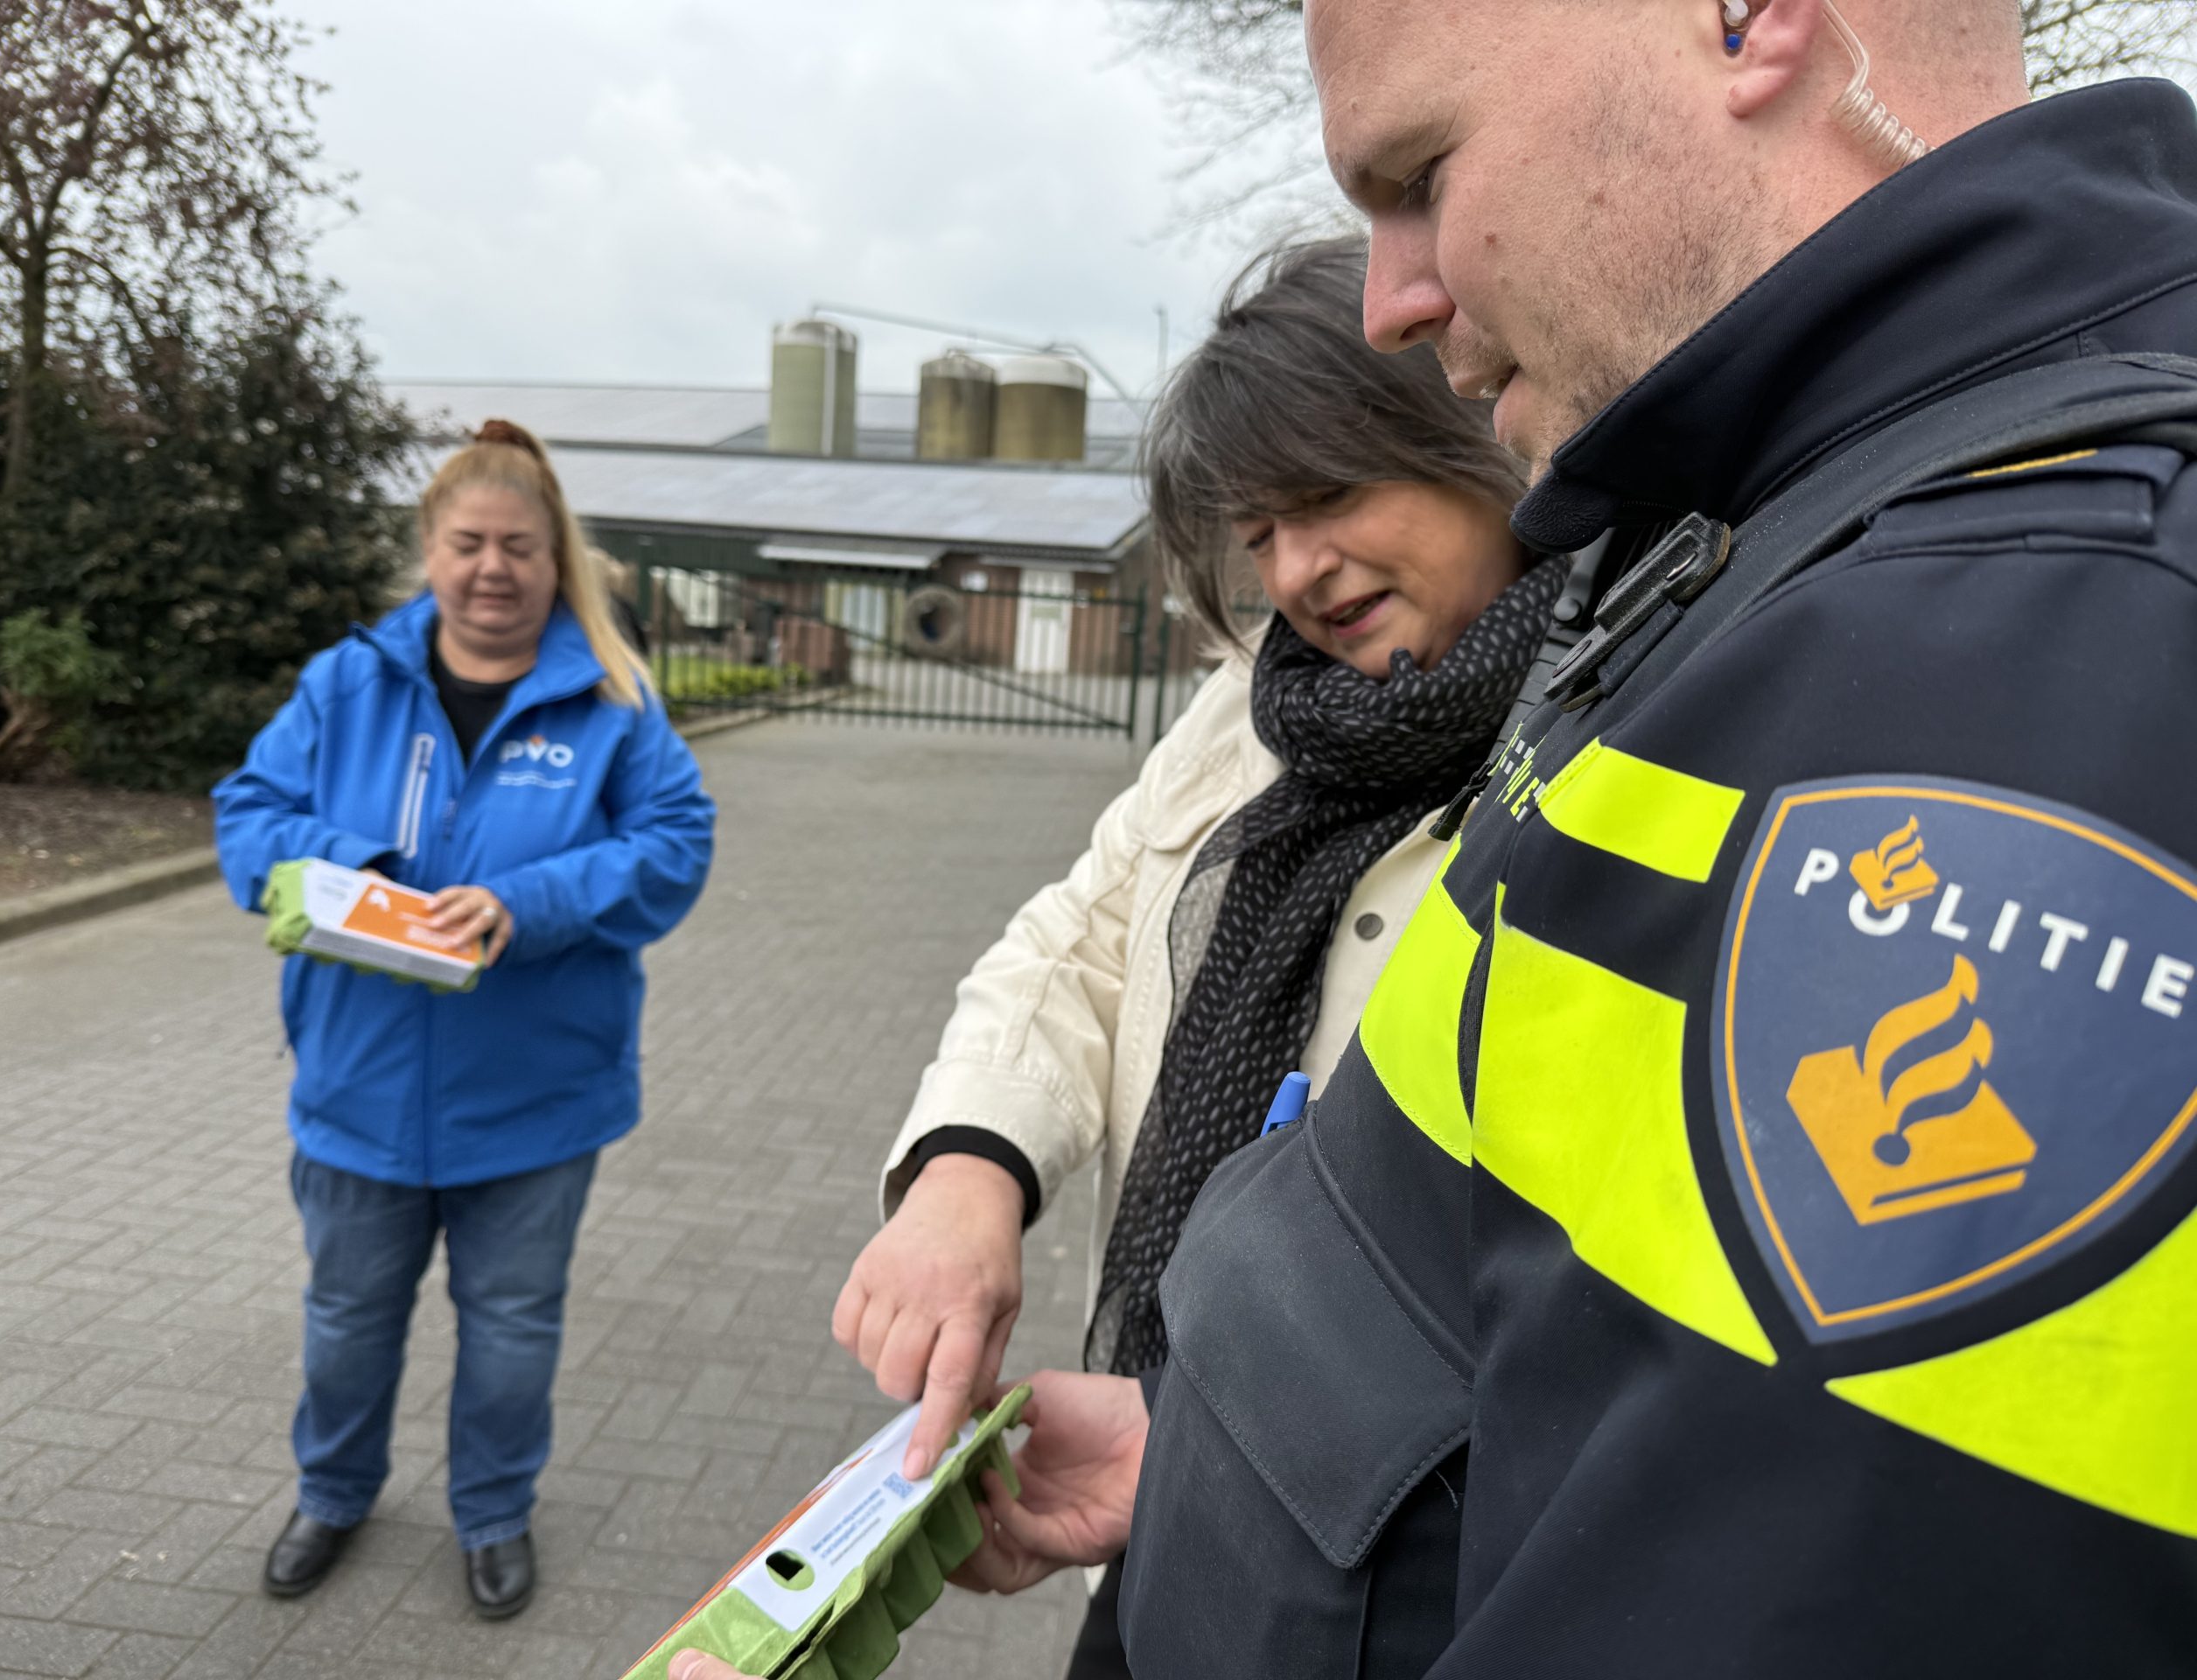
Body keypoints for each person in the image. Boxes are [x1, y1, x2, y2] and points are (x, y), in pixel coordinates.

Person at [819, 4, 2197, 1677]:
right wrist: (1211, 1448)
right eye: (1257, 536)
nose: (1400, 294)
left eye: (1421, 172)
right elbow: (1533, 1360)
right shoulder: (1698, 599)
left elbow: (1775, 1564)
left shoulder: (1997, 646)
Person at [831, 236, 1563, 1676]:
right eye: (1260, 526)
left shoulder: (1622, 734)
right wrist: (970, 1173)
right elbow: (1091, 925)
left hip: (1408, 1599)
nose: (1295, 572)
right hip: (1181, 1501)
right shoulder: (1260, 705)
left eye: (1334, 493)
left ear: (1476, 427)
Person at [214, 419, 713, 1619]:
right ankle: (331, 1494)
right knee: (344, 1319)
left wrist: (529, 901)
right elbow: (248, 815)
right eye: (469, 544)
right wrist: (366, 871)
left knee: (512, 1327)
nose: (495, 568)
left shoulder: (613, 703)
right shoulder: (346, 685)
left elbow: (676, 848)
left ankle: (493, 1514)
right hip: (359, 1089)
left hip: (536, 1102)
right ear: (430, 555)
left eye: (521, 548)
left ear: (558, 563)